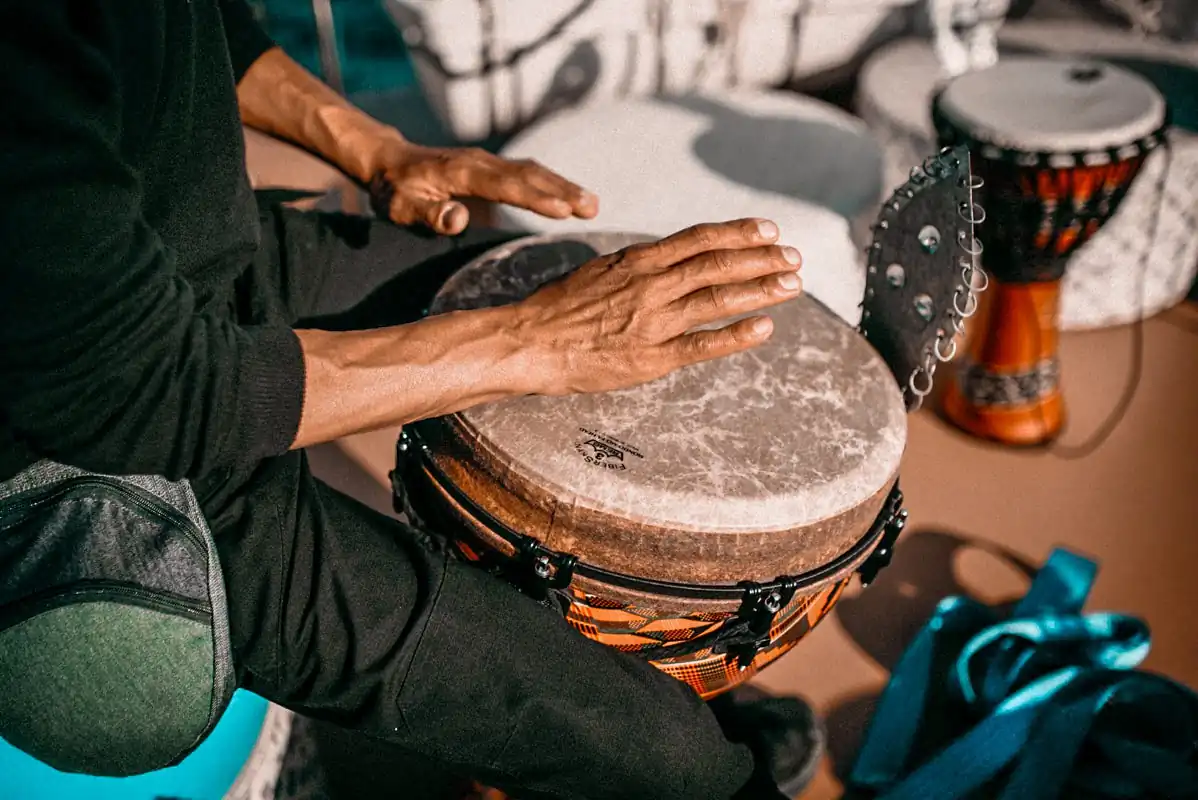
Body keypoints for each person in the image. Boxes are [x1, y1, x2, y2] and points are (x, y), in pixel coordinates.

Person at [0, 2, 816, 798]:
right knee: (678, 763)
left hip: (177, 261)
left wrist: (383, 152)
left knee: (554, 283)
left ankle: (655, 670)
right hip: (115, 473)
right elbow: (141, 387)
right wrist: (534, 342)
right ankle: (680, 745)